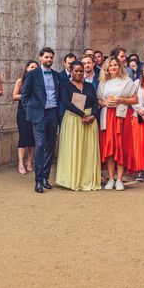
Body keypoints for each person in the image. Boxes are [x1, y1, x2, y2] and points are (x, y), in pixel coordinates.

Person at [56, 61, 100, 191]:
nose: (79, 73)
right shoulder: (65, 85)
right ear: (71, 71)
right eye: (76, 71)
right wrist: (82, 114)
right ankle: (71, 179)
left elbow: (95, 103)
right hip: (74, 120)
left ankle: (87, 179)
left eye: (81, 71)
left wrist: (93, 116)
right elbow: (65, 102)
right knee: (73, 149)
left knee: (88, 151)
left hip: (90, 120)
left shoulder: (89, 86)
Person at [20, 47, 60, 194]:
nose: (49, 60)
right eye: (46, 57)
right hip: (39, 116)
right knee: (40, 145)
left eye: (51, 57)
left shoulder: (56, 75)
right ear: (41, 58)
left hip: (53, 114)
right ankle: (38, 181)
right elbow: (24, 95)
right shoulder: (33, 74)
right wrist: (31, 111)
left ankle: (45, 178)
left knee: (50, 146)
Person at [97, 56, 137, 191]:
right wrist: (104, 103)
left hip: (121, 117)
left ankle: (119, 179)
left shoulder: (127, 81)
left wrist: (121, 100)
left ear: (120, 67)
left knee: (120, 147)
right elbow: (99, 100)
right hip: (107, 116)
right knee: (109, 148)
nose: (113, 67)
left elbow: (135, 99)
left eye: (115, 65)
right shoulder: (103, 82)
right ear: (106, 68)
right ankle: (111, 179)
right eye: (110, 65)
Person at [12, 60, 38, 174]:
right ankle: (21, 162)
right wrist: (26, 95)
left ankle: (29, 161)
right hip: (23, 112)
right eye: (32, 67)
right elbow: (14, 96)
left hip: (35, 112)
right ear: (27, 68)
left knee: (32, 137)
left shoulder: (38, 82)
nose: (34, 69)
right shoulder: (20, 81)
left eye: (36, 68)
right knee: (23, 136)